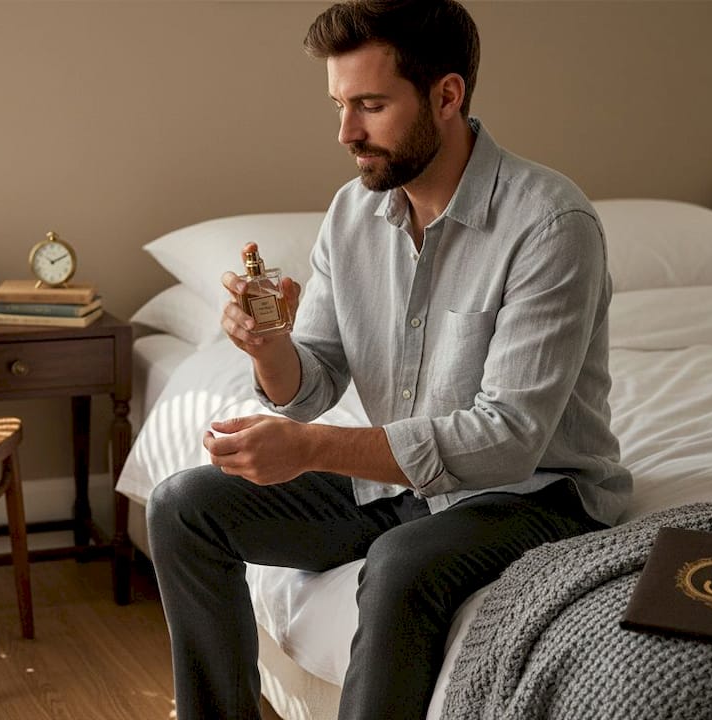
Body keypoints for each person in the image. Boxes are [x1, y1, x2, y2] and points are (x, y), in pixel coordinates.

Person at [147, 1, 631, 717]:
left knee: (401, 563)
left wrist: (310, 448)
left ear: (446, 96)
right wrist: (269, 345)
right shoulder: (351, 215)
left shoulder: (551, 223)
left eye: (371, 106)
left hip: (538, 494)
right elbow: (309, 386)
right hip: (403, 481)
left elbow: (507, 440)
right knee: (183, 507)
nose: (347, 132)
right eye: (341, 105)